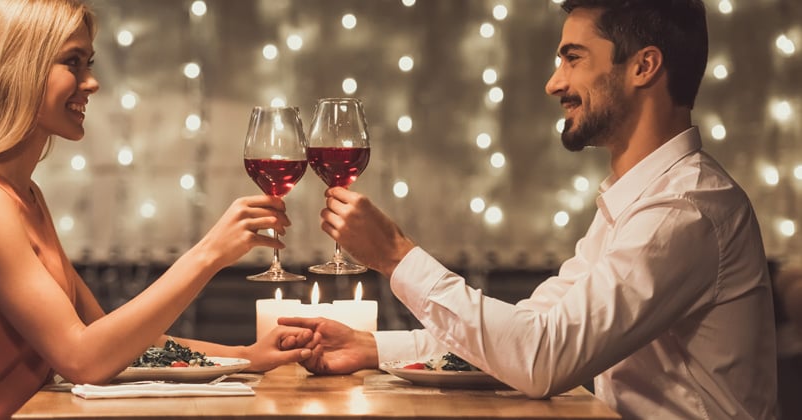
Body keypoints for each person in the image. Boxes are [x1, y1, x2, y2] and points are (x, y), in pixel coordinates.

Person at [281, 0, 777, 418]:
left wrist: (396, 255)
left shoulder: (684, 210)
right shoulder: (642, 198)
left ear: (643, 67)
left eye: (573, 58)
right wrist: (373, 348)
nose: (554, 83)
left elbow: (543, 359)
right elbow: (527, 331)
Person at [0, 0, 315, 418]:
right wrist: (209, 255)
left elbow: (114, 342)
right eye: (73, 62)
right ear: (17, 68)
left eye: (88, 62)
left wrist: (245, 356)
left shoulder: (25, 196)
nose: (91, 82)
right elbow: (82, 358)